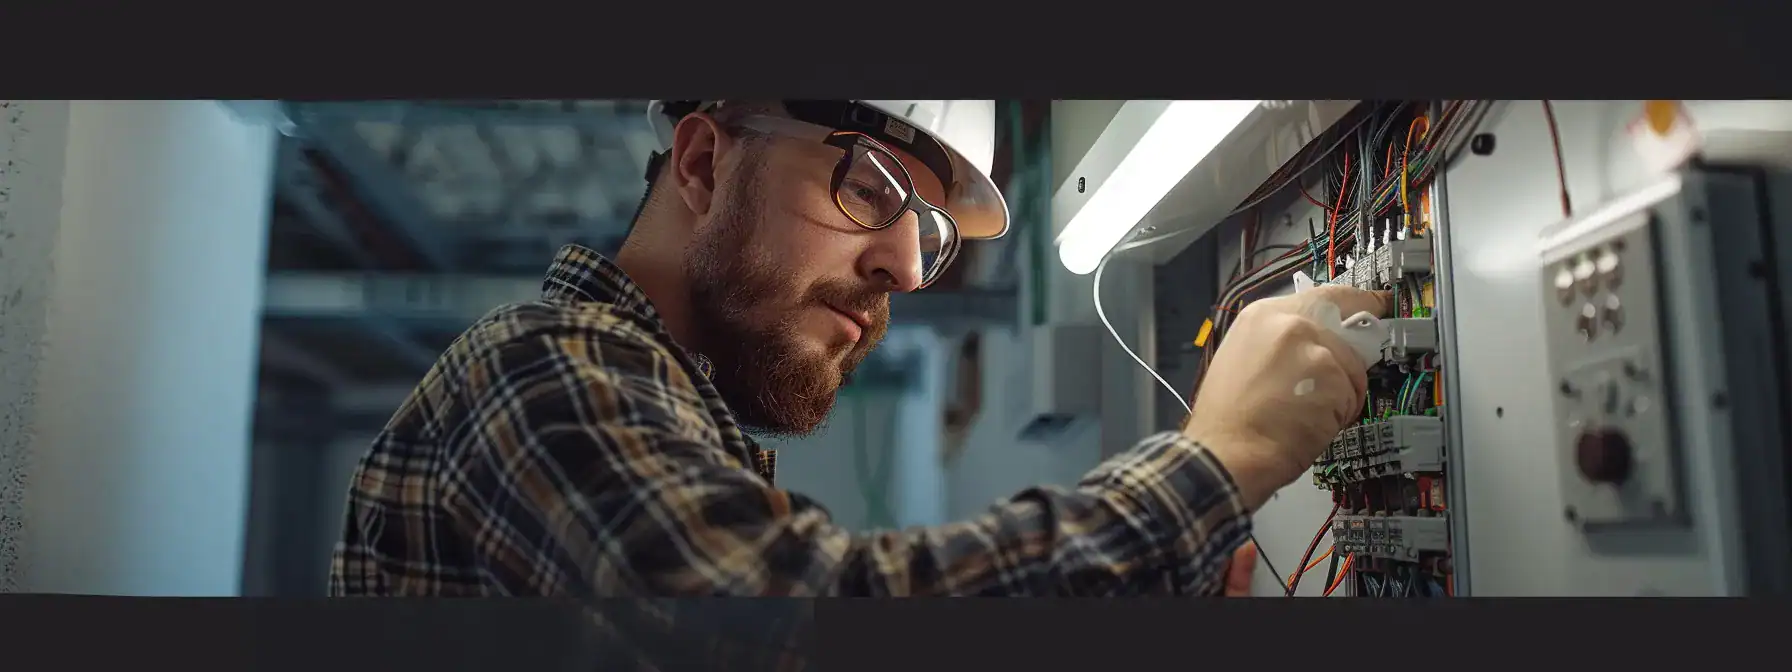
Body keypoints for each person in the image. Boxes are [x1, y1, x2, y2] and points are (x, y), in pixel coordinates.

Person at [328, 100, 1386, 602]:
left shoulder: (682, 427)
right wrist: (1217, 462)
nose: (907, 269)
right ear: (701, 162)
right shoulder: (540, 368)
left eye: (928, 232)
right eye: (869, 188)